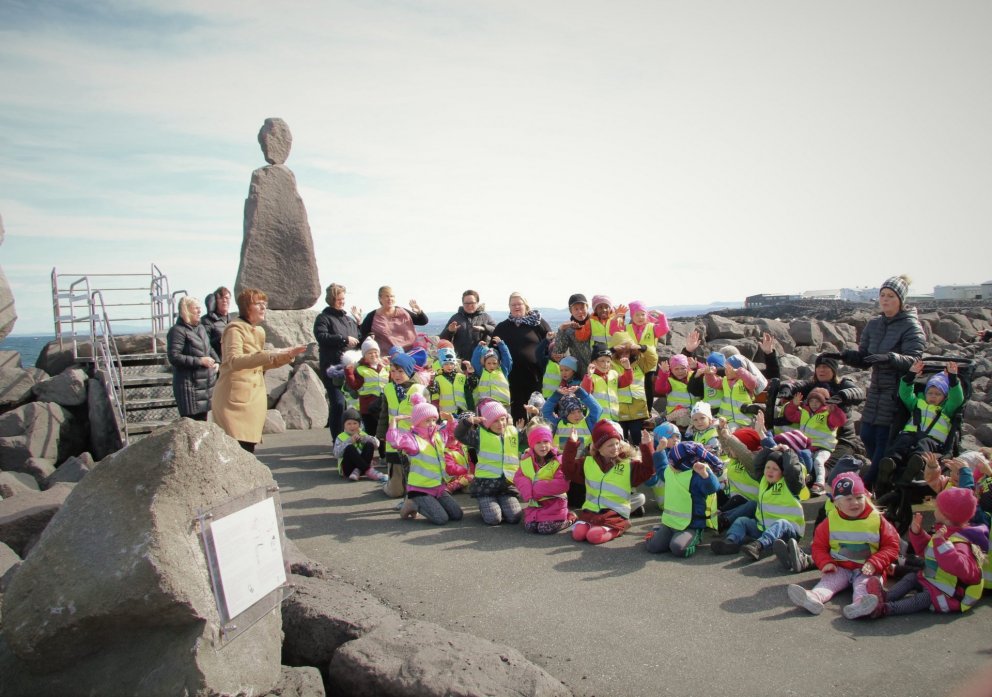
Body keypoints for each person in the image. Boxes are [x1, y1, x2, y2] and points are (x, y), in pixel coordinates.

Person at [839, 274, 925, 484]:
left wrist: (891, 358)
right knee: (867, 435)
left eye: (891, 296)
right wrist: (848, 356)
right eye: (882, 295)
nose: (885, 300)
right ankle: (884, 477)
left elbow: (915, 360)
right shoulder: (874, 325)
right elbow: (866, 358)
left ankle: (871, 484)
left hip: (897, 390)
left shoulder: (911, 326)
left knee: (883, 440)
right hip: (876, 388)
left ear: (901, 300)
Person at [785, 473, 899, 618]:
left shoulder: (876, 519)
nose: (855, 503)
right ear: (837, 502)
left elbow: (892, 546)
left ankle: (860, 605)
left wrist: (874, 563)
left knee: (863, 585)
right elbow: (819, 546)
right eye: (848, 499)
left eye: (859, 497)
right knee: (828, 582)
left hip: (868, 569)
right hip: (840, 567)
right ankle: (813, 597)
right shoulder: (830, 521)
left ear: (866, 497)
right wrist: (825, 562)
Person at [212, 289, 306, 452]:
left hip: (253, 400)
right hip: (234, 402)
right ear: (247, 307)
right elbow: (234, 361)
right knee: (236, 450)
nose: (264, 308)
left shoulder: (259, 331)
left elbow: (258, 364)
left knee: (248, 450)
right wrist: (270, 354)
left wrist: (286, 355)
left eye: (265, 304)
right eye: (259, 304)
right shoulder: (235, 329)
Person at [869, 487, 987, 617]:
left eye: (937, 508)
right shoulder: (945, 531)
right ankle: (885, 596)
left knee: (922, 599)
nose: (935, 510)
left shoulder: (962, 542)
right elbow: (928, 551)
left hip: (950, 594)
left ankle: (886, 609)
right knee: (911, 578)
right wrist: (917, 533)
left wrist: (941, 544)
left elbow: (961, 568)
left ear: (946, 516)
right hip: (934, 581)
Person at [561, 419, 654, 545]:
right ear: (599, 448)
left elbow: (648, 470)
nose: (615, 448)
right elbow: (568, 470)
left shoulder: (628, 465)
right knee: (578, 534)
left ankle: (621, 527)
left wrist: (647, 446)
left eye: (617, 443)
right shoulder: (588, 463)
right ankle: (599, 527)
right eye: (610, 445)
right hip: (591, 512)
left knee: (594, 536)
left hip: (615, 513)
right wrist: (572, 444)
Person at [710, 446, 806, 559]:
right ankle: (730, 542)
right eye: (768, 467)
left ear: (783, 472)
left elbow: (792, 470)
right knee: (742, 521)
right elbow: (757, 464)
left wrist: (787, 451)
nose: (770, 471)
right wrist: (772, 449)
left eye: (775, 469)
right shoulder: (763, 481)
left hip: (788, 531)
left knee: (781, 523)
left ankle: (758, 546)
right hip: (764, 528)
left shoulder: (790, 485)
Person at [643, 432, 724, 558]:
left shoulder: (696, 475)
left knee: (678, 548)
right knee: (653, 547)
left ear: (683, 465)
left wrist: (705, 475)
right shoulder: (670, 470)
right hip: (670, 523)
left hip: (691, 525)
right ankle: (659, 531)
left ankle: (697, 536)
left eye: (672, 462)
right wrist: (659, 451)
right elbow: (660, 469)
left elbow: (713, 488)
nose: (669, 464)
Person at [386, 395, 464, 525]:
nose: (432, 423)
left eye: (434, 420)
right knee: (441, 519)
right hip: (420, 489)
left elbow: (452, 436)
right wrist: (393, 422)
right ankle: (412, 503)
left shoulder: (437, 435)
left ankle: (431, 503)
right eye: (427, 420)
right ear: (417, 422)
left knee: (457, 515)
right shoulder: (412, 439)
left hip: (438, 487)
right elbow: (395, 442)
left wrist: (451, 421)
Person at [454, 399, 522, 526]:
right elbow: (459, 435)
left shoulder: (512, 433)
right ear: (486, 423)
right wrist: (468, 422)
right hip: (485, 487)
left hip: (506, 487)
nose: (500, 423)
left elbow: (532, 437)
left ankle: (500, 503)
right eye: (495, 420)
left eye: (502, 419)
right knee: (493, 519)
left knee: (515, 518)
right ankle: (485, 504)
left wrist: (535, 414)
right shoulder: (479, 436)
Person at [492, 292, 552, 423]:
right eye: (513, 304)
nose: (516, 307)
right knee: (518, 411)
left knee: (537, 409)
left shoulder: (538, 323)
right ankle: (520, 438)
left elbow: (551, 344)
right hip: (512, 378)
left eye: (519, 304)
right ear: (509, 307)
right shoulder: (502, 327)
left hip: (535, 376)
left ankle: (538, 436)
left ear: (526, 305)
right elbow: (493, 351)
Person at [314, 283, 362, 440]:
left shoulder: (348, 320)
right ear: (331, 299)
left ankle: (353, 438)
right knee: (339, 404)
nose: (342, 301)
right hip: (333, 368)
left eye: (343, 298)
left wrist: (359, 324)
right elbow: (322, 337)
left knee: (353, 406)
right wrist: (343, 339)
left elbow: (358, 339)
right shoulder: (323, 318)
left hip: (351, 368)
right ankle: (338, 440)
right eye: (338, 298)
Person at [514, 425, 575, 534]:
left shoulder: (558, 459)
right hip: (536, 504)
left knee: (544, 528)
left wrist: (537, 488)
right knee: (530, 527)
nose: (543, 446)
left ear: (551, 443)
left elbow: (563, 484)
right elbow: (519, 476)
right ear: (532, 444)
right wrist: (528, 490)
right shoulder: (526, 458)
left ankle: (569, 518)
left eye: (546, 442)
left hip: (555, 503)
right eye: (538, 443)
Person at [167, 296, 219, 421]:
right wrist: (200, 361)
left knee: (203, 422)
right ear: (187, 310)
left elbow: (209, 348)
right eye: (196, 308)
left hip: (204, 387)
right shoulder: (177, 331)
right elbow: (174, 357)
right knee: (191, 424)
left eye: (199, 308)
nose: (200, 311)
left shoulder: (200, 328)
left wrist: (217, 361)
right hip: (189, 389)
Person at [359, 285, 429, 354]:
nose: (390, 299)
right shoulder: (372, 316)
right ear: (380, 298)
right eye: (387, 296)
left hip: (411, 354)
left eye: (392, 296)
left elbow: (423, 321)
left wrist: (419, 312)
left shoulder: (403, 312)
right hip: (388, 358)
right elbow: (362, 334)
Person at [439, 290, 495, 361]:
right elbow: (443, 340)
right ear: (462, 303)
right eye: (466, 303)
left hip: (482, 361)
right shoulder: (456, 318)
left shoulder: (486, 317)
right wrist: (449, 331)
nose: (469, 306)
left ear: (477, 303)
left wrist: (484, 328)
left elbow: (497, 332)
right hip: (461, 361)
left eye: (472, 303)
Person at [334, 408, 386, 482]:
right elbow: (336, 454)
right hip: (348, 469)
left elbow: (377, 444)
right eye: (349, 424)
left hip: (361, 469)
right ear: (344, 426)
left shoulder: (362, 434)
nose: (352, 426)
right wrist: (349, 441)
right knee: (350, 447)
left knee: (369, 444)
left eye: (355, 423)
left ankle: (358, 470)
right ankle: (369, 471)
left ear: (359, 424)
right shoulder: (340, 437)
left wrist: (363, 438)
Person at [553, 293, 593, 376]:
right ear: (571, 311)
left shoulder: (595, 324)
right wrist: (561, 330)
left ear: (587, 307)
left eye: (582, 308)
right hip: (581, 375)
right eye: (576, 309)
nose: (580, 311)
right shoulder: (569, 330)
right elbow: (558, 352)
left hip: (601, 371)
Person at [200, 286, 232, 360]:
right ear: (215, 301)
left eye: (227, 298)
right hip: (217, 365)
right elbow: (205, 345)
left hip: (232, 363)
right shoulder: (206, 321)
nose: (224, 300)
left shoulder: (233, 321)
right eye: (221, 298)